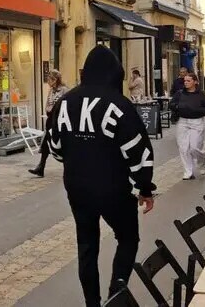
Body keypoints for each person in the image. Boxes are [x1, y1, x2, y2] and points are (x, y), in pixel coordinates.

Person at [45, 45, 156, 305]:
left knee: (87, 247)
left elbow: (55, 148)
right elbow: (138, 151)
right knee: (127, 238)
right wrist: (145, 188)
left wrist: (76, 158)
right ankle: (116, 293)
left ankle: (92, 303)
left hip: (77, 187)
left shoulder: (65, 102)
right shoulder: (118, 104)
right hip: (113, 188)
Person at [170, 73, 205, 179]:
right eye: (185, 81)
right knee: (183, 148)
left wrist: (197, 110)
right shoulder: (179, 94)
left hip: (196, 121)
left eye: (188, 81)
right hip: (182, 121)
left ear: (195, 82)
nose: (186, 83)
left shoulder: (202, 95)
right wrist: (178, 106)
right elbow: (172, 104)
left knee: (194, 147)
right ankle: (188, 172)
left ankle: (202, 161)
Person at [29, 69, 68, 177]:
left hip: (60, 121)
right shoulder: (51, 91)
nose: (48, 81)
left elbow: (67, 104)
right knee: (46, 142)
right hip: (51, 120)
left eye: (49, 79)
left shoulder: (64, 90)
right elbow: (47, 104)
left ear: (55, 80)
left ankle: (68, 167)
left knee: (63, 144)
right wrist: (49, 109)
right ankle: (41, 167)